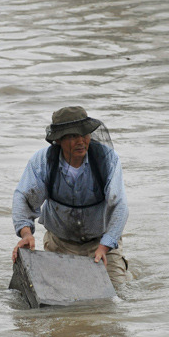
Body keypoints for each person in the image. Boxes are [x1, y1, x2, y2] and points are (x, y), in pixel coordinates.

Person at [12, 106, 129, 284]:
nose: (81, 141)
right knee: (56, 300)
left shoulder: (107, 160)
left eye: (84, 134)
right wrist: (26, 234)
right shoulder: (43, 162)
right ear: (58, 139)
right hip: (60, 244)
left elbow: (119, 206)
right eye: (73, 136)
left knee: (116, 294)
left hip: (102, 242)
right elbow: (23, 198)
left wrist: (105, 247)